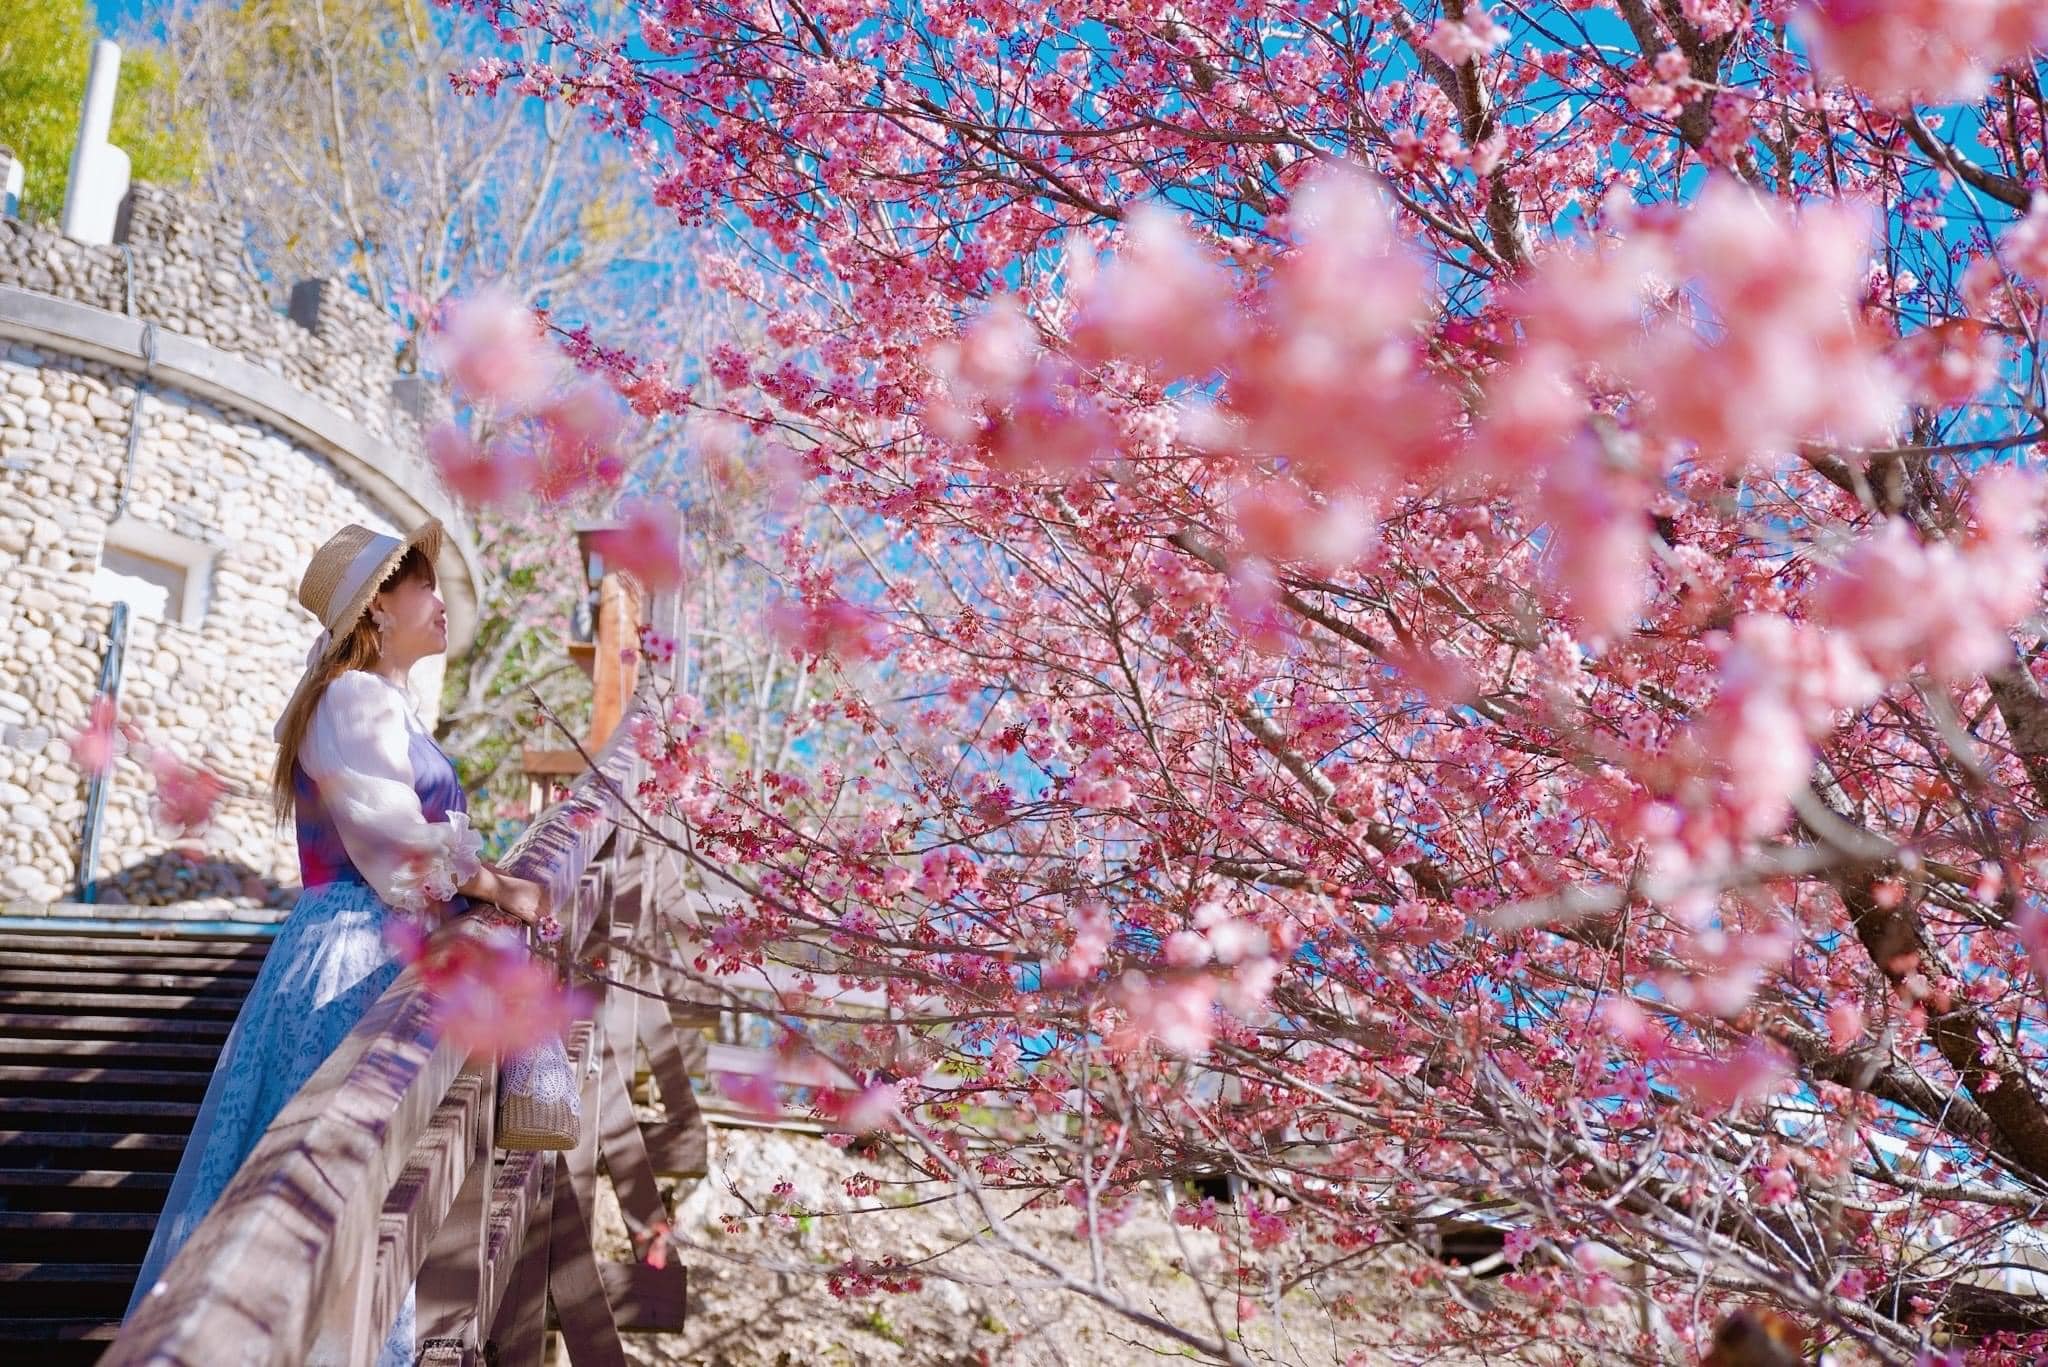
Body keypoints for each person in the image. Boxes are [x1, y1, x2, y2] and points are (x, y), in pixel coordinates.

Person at [122, 520, 550, 1363]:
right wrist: (501, 887)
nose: (439, 600)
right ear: (378, 609)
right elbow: (394, 837)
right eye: (422, 584)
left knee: (347, 1162)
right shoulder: (351, 696)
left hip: (375, 936)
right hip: (353, 941)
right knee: (331, 1156)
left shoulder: (378, 701)